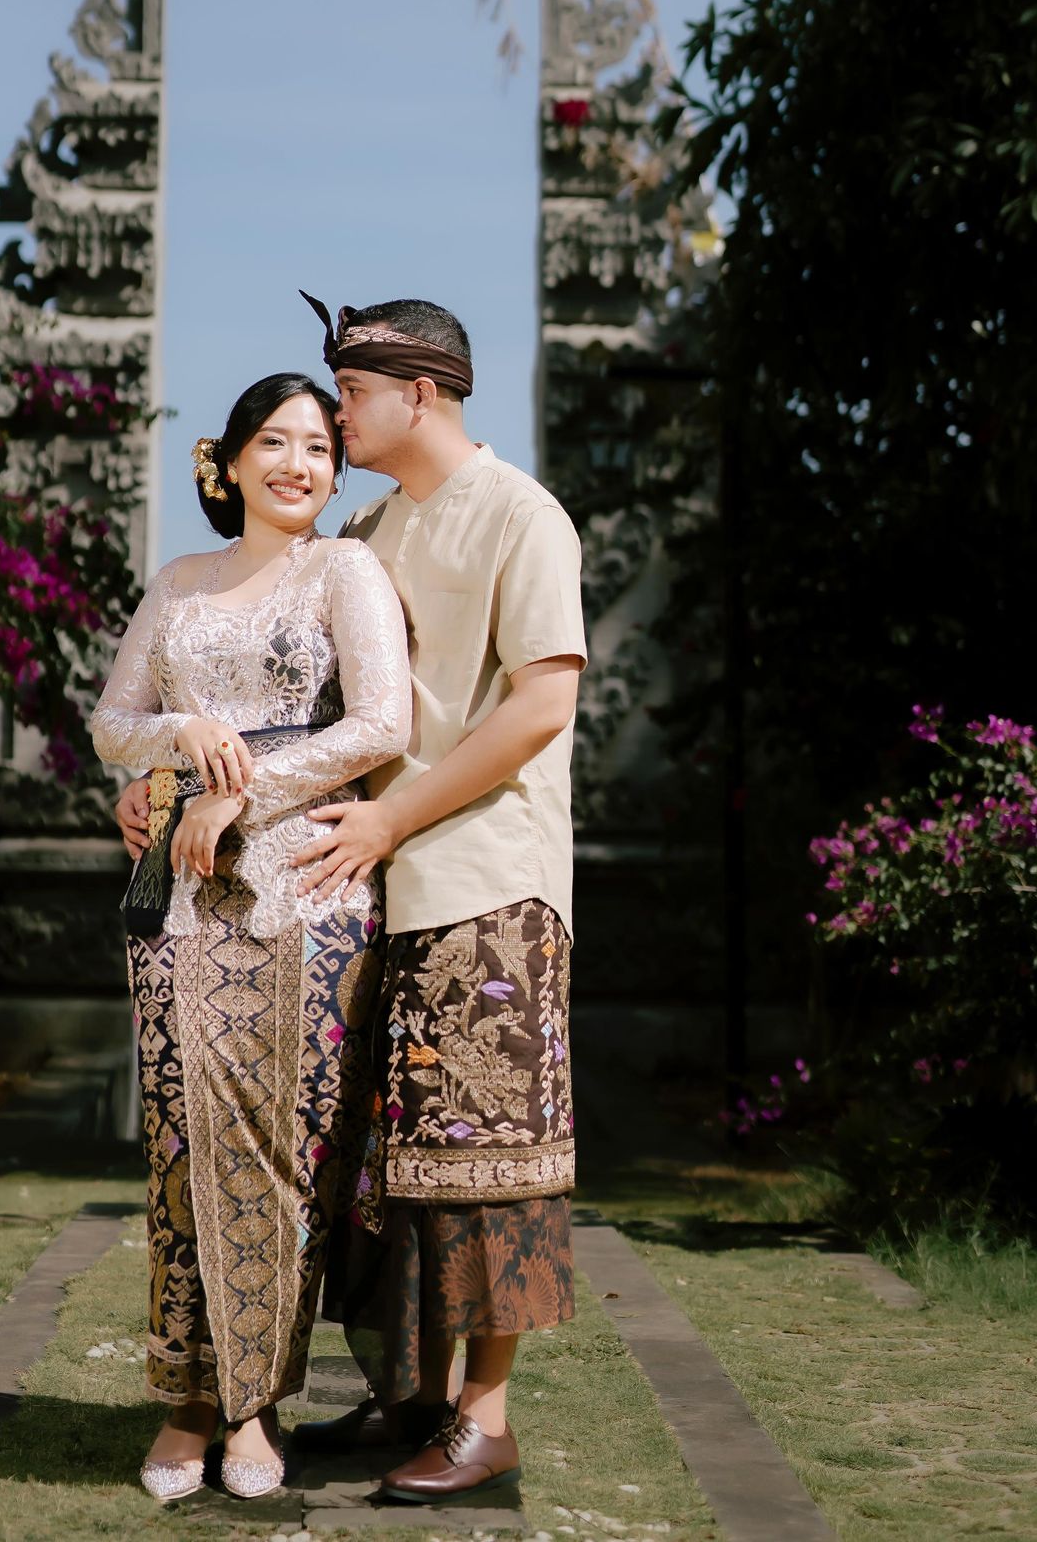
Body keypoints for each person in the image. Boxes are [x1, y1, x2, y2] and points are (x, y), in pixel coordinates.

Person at [93, 372, 411, 1503]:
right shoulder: (180, 582)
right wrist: (180, 737)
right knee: (181, 1153)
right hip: (180, 901)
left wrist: (241, 796)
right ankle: (188, 1401)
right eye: (274, 443)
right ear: (227, 463)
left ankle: (257, 1405)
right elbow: (112, 723)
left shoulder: (345, 571)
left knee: (285, 1159)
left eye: (319, 447)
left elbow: (381, 723)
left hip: (309, 896)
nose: (298, 464)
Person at [290, 294, 586, 1504]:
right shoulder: (369, 529)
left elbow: (541, 704)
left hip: (489, 886)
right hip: (380, 887)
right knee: (390, 1168)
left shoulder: (522, 514)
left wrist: (394, 816)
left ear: (421, 393)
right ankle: (410, 1394)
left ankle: (485, 1421)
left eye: (352, 394)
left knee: (491, 1164)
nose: (336, 416)